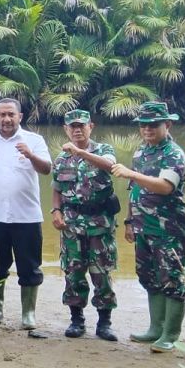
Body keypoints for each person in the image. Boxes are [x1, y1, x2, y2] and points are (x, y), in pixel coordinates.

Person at [110, 101, 185, 352]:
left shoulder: (174, 153)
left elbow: (165, 186)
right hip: (143, 226)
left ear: (167, 124)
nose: (147, 130)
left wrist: (131, 174)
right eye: (143, 125)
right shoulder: (140, 152)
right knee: (149, 277)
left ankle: (170, 334)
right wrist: (129, 221)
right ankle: (156, 328)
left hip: (168, 230)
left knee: (173, 280)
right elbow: (134, 191)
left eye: (153, 125)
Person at [0, 98, 52, 329]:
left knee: (30, 266)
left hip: (27, 217)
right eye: (2, 115)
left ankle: (28, 314)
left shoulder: (34, 140)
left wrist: (31, 155)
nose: (7, 119)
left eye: (11, 115)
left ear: (20, 117)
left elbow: (47, 170)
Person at [49, 109, 119, 341]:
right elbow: (57, 187)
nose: (77, 129)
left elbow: (110, 167)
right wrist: (56, 210)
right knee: (73, 272)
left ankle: (104, 322)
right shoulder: (62, 158)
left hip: (100, 223)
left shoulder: (104, 150)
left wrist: (80, 152)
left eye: (82, 125)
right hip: (72, 224)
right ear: (66, 129)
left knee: (102, 273)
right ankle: (76, 320)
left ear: (91, 126)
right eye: (72, 126)